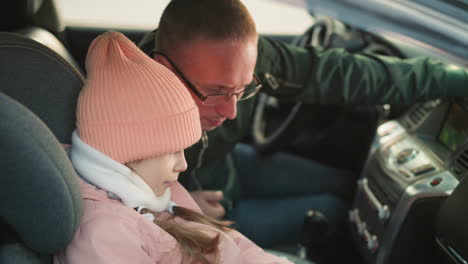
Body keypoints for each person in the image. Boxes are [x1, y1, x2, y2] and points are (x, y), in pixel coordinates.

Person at [138, 0, 468, 254]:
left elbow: (338, 73)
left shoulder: (241, 59)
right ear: (163, 67)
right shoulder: (122, 111)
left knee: (348, 184)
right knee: (337, 212)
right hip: (200, 212)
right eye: (216, 93)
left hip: (230, 168)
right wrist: (171, 208)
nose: (232, 111)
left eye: (243, 90)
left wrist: (454, 79)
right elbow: (107, 208)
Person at [54, 31, 300, 264]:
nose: (182, 165)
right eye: (172, 151)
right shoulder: (104, 233)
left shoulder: (159, 193)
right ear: (128, 151)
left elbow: (229, 244)